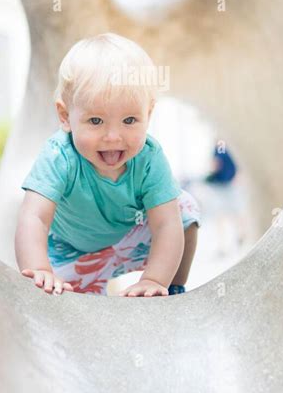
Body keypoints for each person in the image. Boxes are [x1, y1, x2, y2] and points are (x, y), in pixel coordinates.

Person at [15, 32, 201, 297]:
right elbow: (33, 217)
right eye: (95, 121)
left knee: (184, 209)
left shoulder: (149, 157)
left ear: (148, 114)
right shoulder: (59, 156)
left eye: (129, 121)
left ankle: (173, 288)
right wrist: (39, 269)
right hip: (72, 251)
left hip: (131, 240)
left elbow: (165, 225)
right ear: (65, 117)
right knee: (72, 310)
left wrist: (155, 279)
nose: (113, 137)